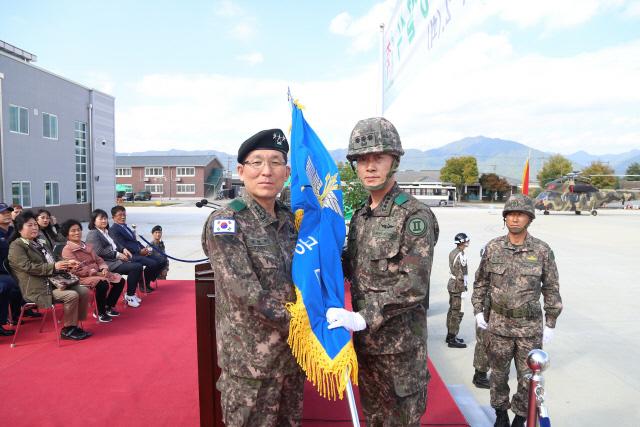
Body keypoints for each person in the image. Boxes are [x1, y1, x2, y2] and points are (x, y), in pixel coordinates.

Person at [327, 117, 439, 426]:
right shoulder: (362, 216)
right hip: (367, 347)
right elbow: (352, 265)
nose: (370, 166)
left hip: (400, 352)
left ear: (394, 161)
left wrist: (364, 316)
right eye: (362, 159)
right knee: (373, 419)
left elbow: (415, 284)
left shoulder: (414, 215)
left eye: (378, 157)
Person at [201, 128, 304, 426]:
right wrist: (305, 324)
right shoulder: (226, 222)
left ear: (286, 172)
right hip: (251, 365)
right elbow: (244, 291)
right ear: (241, 171)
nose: (266, 171)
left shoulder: (292, 221)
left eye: (275, 163)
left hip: (292, 357)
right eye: (257, 163)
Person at [472, 194, 563, 427]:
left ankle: (521, 418)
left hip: (529, 329)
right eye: (510, 214)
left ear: (529, 219)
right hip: (499, 326)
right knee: (498, 376)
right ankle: (500, 415)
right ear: (505, 218)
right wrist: (478, 311)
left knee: (527, 380)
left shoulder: (542, 251)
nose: (514, 219)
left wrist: (551, 322)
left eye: (520, 214)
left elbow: (551, 287)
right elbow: (480, 281)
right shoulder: (493, 247)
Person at [8, 211, 92, 341]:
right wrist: (54, 267)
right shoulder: (16, 246)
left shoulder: (40, 242)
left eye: (35, 225)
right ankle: (68, 329)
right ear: (20, 229)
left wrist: (67, 263)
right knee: (71, 295)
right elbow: (28, 267)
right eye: (30, 225)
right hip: (37, 288)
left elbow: (54, 258)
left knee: (84, 291)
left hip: (53, 282)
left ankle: (74, 324)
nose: (35, 227)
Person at [60, 219, 125, 323]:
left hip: (96, 273)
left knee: (120, 280)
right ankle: (100, 311)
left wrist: (104, 268)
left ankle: (108, 306)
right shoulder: (67, 250)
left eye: (78, 230)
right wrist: (96, 272)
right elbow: (78, 268)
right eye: (73, 231)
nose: (77, 232)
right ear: (67, 235)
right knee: (102, 283)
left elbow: (98, 259)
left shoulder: (85, 245)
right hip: (81, 277)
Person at [85, 209, 144, 308]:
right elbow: (98, 252)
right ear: (94, 221)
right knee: (136, 267)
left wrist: (123, 249)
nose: (104, 221)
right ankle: (129, 296)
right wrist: (117, 254)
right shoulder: (93, 233)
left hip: (115, 260)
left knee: (138, 265)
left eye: (105, 218)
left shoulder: (105, 232)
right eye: (101, 219)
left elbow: (115, 244)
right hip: (106, 264)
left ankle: (131, 294)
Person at [108, 205, 161, 293]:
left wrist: (145, 249)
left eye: (124, 214)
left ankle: (145, 281)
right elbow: (122, 245)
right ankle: (142, 283)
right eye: (120, 215)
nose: (123, 217)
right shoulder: (114, 230)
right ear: (113, 217)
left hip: (138, 253)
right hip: (130, 255)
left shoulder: (125, 227)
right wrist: (139, 251)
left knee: (161, 260)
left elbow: (135, 242)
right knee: (153, 263)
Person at [445, 232, 470, 348]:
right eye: (465, 241)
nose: (467, 242)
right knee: (457, 312)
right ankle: (452, 338)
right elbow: (460, 274)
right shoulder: (460, 255)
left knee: (452, 310)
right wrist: (463, 288)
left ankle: (450, 335)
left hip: (452, 284)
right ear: (461, 242)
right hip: (457, 286)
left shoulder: (453, 252)